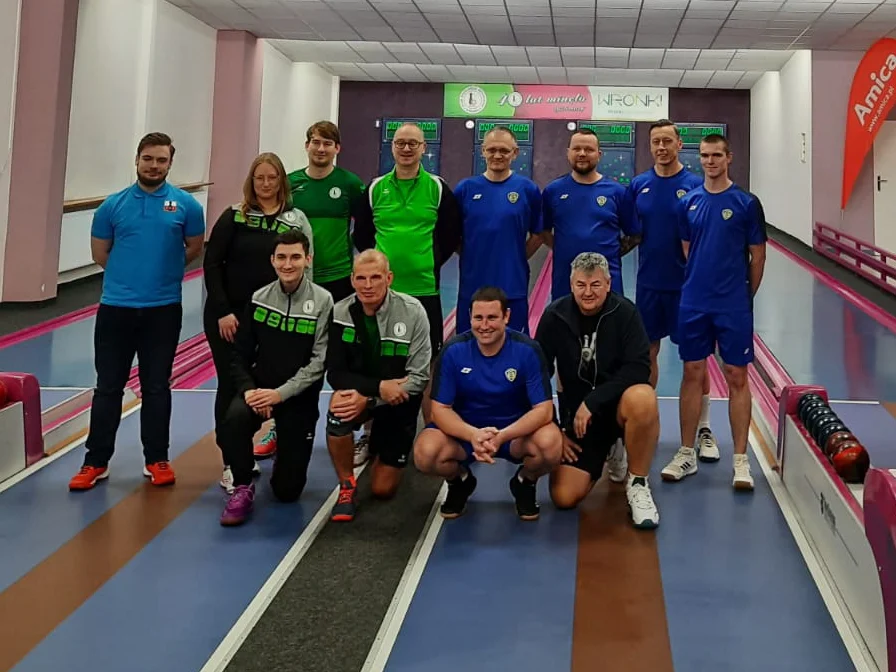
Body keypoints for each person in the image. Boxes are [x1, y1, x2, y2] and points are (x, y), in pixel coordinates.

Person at [69, 132, 205, 491]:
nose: (154, 166)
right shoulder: (112, 206)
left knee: (156, 386)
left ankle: (157, 458)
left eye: (161, 160)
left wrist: (163, 273)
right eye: (148, 158)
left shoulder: (187, 206)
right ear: (137, 160)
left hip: (163, 310)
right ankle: (95, 461)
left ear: (170, 164)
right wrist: (128, 278)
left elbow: (194, 247)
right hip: (116, 310)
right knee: (108, 387)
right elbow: (101, 254)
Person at [661, 134, 767, 491]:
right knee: (692, 371)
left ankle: (740, 460)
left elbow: (758, 256)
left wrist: (743, 296)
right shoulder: (688, 202)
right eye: (705, 156)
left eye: (716, 155)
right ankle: (686, 452)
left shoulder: (746, 203)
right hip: (694, 302)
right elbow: (688, 249)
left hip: (732, 305)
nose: (710, 161)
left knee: (737, 375)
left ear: (728, 157)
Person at [202, 153, 314, 490]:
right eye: (259, 178)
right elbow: (212, 265)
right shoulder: (234, 217)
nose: (266, 184)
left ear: (282, 181)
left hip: (275, 321)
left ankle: (284, 448)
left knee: (278, 381)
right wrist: (223, 310)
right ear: (251, 182)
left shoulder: (296, 219)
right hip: (231, 319)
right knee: (231, 385)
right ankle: (232, 461)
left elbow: (307, 270)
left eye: (272, 177)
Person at [254, 121, 364, 462]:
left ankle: (348, 427)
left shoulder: (350, 184)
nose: (321, 148)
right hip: (297, 284)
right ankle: (279, 426)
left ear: (337, 149)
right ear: (307, 145)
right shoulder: (291, 184)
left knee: (344, 356)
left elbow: (365, 229)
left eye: (328, 143)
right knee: (291, 357)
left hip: (339, 281)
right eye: (316, 142)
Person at [414, 286, 563, 521]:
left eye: (492, 317)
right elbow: (439, 410)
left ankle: (525, 482)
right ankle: (460, 481)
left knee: (551, 445)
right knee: (425, 452)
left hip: (514, 435)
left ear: (506, 316)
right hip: (465, 436)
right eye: (478, 318)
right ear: (470, 317)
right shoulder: (454, 351)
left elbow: (543, 410)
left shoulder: (527, 350)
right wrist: (473, 435)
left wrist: (502, 436)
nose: (484, 325)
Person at [534, 252, 660, 529]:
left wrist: (593, 400)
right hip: (580, 424)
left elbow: (640, 368)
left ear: (608, 284)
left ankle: (638, 483)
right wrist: (553, 426)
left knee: (643, 398)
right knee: (564, 497)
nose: (588, 292)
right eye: (581, 285)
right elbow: (537, 375)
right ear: (571, 285)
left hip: (615, 409)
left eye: (595, 285)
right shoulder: (555, 316)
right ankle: (610, 450)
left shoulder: (625, 313)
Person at [219, 229, 332, 525]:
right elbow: (240, 355)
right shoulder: (259, 298)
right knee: (233, 419)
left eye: (295, 257)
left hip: (298, 397)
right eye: (281, 257)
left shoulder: (323, 301)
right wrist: (249, 391)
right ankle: (242, 485)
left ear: (308, 259)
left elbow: (319, 363)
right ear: (272, 260)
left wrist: (280, 394)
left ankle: (286, 443)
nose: (288, 264)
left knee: (287, 492)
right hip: (260, 390)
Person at [353, 121, 461, 423]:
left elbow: (450, 234)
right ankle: (371, 433)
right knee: (377, 361)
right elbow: (362, 236)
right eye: (400, 143)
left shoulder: (437, 188)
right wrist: (378, 272)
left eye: (413, 143)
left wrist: (428, 261)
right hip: (381, 295)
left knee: (428, 364)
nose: (406, 148)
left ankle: (431, 429)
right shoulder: (376, 188)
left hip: (424, 290)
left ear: (424, 148)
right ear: (392, 147)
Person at [629, 120, 719, 461]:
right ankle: (646, 423)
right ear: (650, 145)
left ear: (680, 144)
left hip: (688, 289)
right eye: (656, 141)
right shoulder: (638, 185)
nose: (661, 147)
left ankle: (704, 429)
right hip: (649, 286)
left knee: (695, 362)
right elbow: (629, 234)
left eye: (667, 140)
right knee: (646, 355)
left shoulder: (696, 185)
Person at [324, 249, 432, 522]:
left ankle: (381, 444)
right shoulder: (340, 312)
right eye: (361, 278)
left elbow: (419, 378)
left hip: (399, 402)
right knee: (338, 407)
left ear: (389, 278)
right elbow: (335, 374)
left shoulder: (413, 312)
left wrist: (373, 398)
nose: (368, 285)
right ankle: (347, 486)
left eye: (375, 277)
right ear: (352, 280)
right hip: (372, 392)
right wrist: (377, 389)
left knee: (383, 489)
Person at [454, 126, 543, 334]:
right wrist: (471, 254)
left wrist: (517, 255)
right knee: (468, 347)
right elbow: (452, 235)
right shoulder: (465, 189)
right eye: (492, 150)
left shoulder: (527, 190)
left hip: (513, 287)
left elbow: (538, 234)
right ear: (483, 151)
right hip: (472, 287)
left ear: (515, 153)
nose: (497, 155)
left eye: (504, 150)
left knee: (514, 346)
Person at [541, 128, 638, 301]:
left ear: (599, 155)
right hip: (565, 282)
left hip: (608, 283)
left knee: (610, 319)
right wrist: (562, 248)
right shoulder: (553, 191)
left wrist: (612, 252)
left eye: (589, 149)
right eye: (577, 149)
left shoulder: (617, 192)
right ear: (568, 153)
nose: (582, 154)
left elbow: (635, 234)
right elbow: (543, 230)